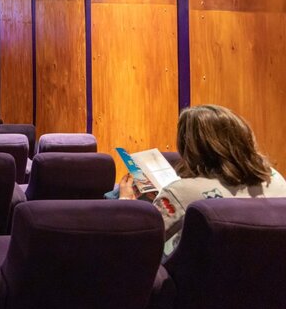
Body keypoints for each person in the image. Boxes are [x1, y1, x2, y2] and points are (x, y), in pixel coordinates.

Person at [119, 104, 286, 255]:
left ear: (189, 147)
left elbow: (136, 245)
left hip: (199, 284)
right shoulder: (275, 178)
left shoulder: (179, 193)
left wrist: (126, 202)